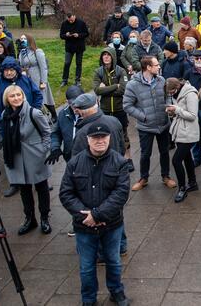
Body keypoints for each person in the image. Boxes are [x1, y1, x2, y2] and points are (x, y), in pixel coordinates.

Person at [59, 124, 131, 306]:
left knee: (113, 262)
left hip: (112, 225)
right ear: (88, 140)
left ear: (109, 138)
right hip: (84, 227)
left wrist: (97, 215)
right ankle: (89, 299)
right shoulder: (74, 163)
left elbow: (121, 194)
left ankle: (117, 292)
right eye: (95, 138)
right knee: (86, 267)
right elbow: (66, 193)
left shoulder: (120, 162)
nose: (100, 141)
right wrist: (85, 217)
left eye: (103, 137)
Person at [0, 84, 54, 235]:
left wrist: (44, 150)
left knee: (41, 187)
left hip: (36, 156)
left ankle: (44, 218)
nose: (16, 98)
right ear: (7, 99)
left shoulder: (33, 113)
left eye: (18, 95)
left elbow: (47, 132)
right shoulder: (5, 114)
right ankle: (30, 219)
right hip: (16, 157)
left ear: (23, 96)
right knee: (24, 189)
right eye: (12, 96)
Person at [123, 56, 176, 191]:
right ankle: (143, 178)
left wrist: (170, 109)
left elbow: (168, 98)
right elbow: (127, 106)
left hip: (163, 124)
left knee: (164, 152)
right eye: (156, 65)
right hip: (146, 126)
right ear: (148, 67)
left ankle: (166, 176)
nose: (159, 67)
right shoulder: (132, 85)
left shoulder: (161, 80)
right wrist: (143, 117)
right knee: (145, 154)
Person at [164, 77, 199, 203]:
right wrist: (171, 112)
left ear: (177, 87)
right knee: (187, 157)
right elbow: (178, 113)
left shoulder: (190, 94)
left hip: (189, 133)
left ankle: (182, 188)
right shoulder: (177, 93)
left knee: (176, 160)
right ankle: (193, 182)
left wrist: (176, 109)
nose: (170, 94)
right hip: (180, 132)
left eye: (171, 92)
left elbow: (193, 115)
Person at [93, 47, 130, 163]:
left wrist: (106, 89)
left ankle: (128, 159)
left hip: (119, 109)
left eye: (108, 55)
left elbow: (123, 90)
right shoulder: (98, 72)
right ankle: (109, 160)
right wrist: (115, 86)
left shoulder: (121, 71)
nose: (106, 57)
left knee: (123, 135)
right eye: (104, 55)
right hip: (105, 110)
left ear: (113, 57)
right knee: (105, 135)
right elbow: (97, 90)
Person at [0, 56, 43, 128]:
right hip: (7, 125)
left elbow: (37, 95)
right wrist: (1, 119)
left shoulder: (25, 80)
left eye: (11, 70)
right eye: (6, 70)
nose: (9, 73)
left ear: (16, 70)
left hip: (29, 120)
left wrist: (34, 111)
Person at [17, 34, 56, 119]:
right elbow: (21, 65)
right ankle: (40, 117)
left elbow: (43, 67)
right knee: (34, 98)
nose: (22, 40)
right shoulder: (22, 52)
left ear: (29, 40)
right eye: (21, 39)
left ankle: (54, 115)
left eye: (24, 38)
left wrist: (43, 81)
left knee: (44, 98)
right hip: (27, 78)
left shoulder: (37, 51)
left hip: (37, 78)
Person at [60, 13, 89, 86]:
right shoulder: (64, 24)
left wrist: (78, 35)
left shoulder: (81, 23)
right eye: (69, 20)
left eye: (72, 20)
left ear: (74, 16)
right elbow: (61, 35)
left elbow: (86, 33)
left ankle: (77, 80)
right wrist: (66, 35)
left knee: (78, 64)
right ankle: (64, 80)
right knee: (67, 63)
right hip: (69, 47)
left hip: (79, 46)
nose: (70, 21)